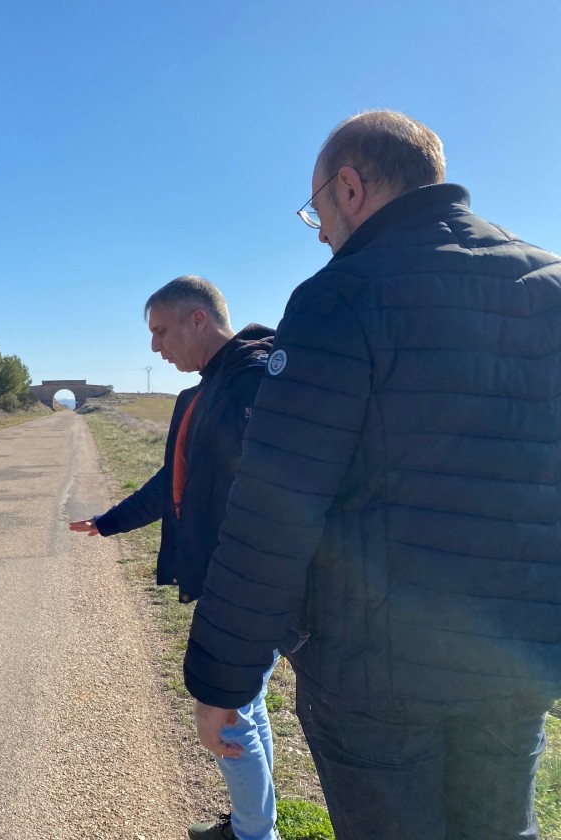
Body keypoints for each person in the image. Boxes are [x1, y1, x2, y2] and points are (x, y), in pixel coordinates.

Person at [185, 110, 561, 840]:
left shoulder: (341, 296)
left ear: (350, 187)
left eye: (316, 212)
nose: (321, 232)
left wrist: (221, 678)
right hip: (516, 659)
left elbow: (276, 505)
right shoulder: (549, 286)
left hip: (375, 674)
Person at [69, 276, 277, 840]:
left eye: (161, 331)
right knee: (248, 707)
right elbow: (176, 481)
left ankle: (256, 834)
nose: (156, 348)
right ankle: (251, 823)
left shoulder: (255, 381)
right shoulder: (209, 390)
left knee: (230, 709)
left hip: (249, 585)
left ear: (198, 321)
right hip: (228, 578)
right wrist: (111, 521)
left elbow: (272, 496)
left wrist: (247, 584)